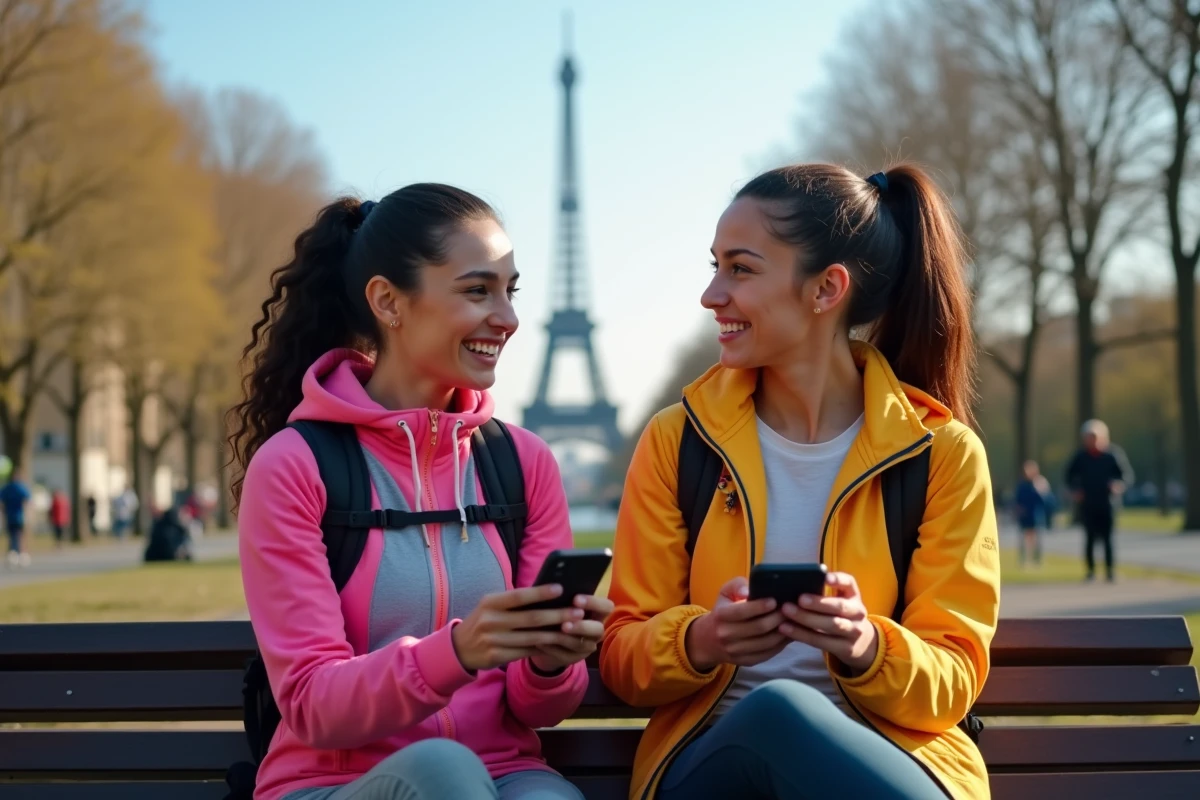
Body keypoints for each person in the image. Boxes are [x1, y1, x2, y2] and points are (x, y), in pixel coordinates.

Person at [600, 164, 1000, 800]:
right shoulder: (677, 442)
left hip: (889, 759)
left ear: (826, 289)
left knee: (788, 719)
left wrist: (868, 646)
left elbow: (953, 676)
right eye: (715, 266)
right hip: (712, 767)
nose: (711, 296)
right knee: (776, 714)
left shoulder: (945, 455)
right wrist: (702, 640)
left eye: (741, 269)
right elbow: (622, 654)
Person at [230, 184, 611, 800]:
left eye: (510, 291)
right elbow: (311, 704)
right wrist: (458, 650)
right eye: (476, 290)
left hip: (504, 773)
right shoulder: (295, 466)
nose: (508, 318)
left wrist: (550, 659)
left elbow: (541, 709)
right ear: (388, 301)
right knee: (444, 774)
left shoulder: (524, 463)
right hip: (331, 784)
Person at [1064, 419, 1133, 582]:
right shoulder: (1080, 457)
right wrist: (1075, 490)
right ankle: (1090, 571)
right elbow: (1068, 476)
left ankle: (1110, 571)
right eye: (1089, 437)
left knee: (1108, 539)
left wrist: (1118, 485)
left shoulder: (1112, 455)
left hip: (1107, 503)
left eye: (1095, 436)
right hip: (1088, 504)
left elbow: (1126, 476)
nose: (1092, 440)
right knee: (1089, 539)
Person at [1012, 460, 1055, 567]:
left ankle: (1037, 560)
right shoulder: (1022, 485)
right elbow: (1018, 500)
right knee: (1024, 538)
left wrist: (1040, 489)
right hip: (1025, 515)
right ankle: (1024, 560)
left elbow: (1047, 500)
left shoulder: (1040, 483)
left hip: (1036, 514)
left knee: (1037, 538)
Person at [1, 469, 32, 568]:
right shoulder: (20, 487)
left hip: (9, 516)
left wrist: (3, 511)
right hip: (19, 516)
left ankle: (12, 554)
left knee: (11, 536)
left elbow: (1, 502)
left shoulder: (6, 488)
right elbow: (28, 500)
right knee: (20, 536)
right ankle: (21, 554)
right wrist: (29, 514)